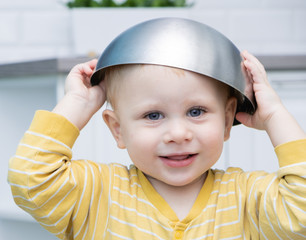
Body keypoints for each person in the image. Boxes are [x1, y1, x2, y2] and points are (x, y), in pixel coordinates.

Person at [8, 47, 305, 239]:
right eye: (153, 115)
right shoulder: (97, 195)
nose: (178, 133)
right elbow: (30, 180)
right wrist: (77, 104)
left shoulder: (246, 198)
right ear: (118, 129)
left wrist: (275, 115)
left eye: (196, 111)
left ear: (228, 120)